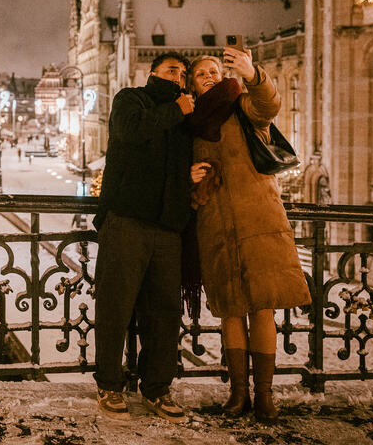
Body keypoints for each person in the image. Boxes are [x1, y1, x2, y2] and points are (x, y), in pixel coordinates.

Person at [186, 49, 310, 423]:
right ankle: (238, 394)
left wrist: (252, 73)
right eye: (200, 74)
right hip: (217, 224)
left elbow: (268, 105)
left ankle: (265, 396)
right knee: (230, 312)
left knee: (262, 308)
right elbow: (179, 167)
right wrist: (189, 178)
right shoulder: (190, 122)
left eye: (213, 70)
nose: (208, 75)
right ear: (192, 84)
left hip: (259, 221)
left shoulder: (241, 104)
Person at [92, 52, 204, 423]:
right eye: (172, 70)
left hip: (167, 228)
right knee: (116, 307)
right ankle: (110, 384)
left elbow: (165, 165)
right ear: (152, 73)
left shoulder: (184, 115)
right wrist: (177, 109)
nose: (179, 76)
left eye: (183, 73)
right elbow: (132, 133)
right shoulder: (131, 99)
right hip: (127, 220)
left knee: (163, 314)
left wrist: (190, 176)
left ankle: (157, 387)